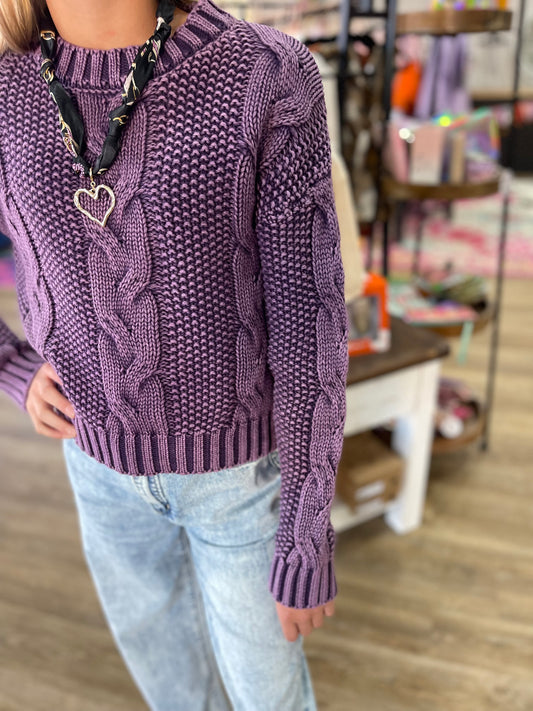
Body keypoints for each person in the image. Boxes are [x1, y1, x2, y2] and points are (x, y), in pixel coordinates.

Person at [0, 0, 349, 709]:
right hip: (94, 466)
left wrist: (306, 528)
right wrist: (11, 365)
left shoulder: (265, 74)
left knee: (270, 699)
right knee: (174, 694)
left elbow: (310, 322)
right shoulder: (8, 92)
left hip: (239, 485)